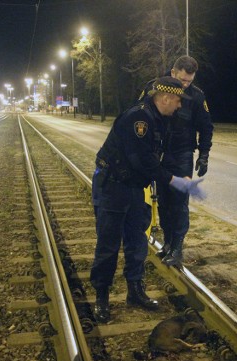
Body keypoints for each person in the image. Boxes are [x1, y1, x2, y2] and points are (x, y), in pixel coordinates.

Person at [90, 76, 204, 323]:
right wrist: (176, 181)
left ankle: (135, 291)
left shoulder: (159, 119)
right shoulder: (139, 118)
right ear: (165, 98)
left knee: (137, 241)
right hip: (112, 186)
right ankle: (101, 298)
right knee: (109, 243)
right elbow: (143, 161)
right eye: (177, 101)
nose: (179, 106)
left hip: (132, 187)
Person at [139, 55, 214, 268]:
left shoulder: (197, 97)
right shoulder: (155, 88)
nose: (185, 85)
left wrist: (204, 155)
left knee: (179, 203)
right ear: (173, 72)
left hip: (182, 155)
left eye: (189, 81)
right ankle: (168, 243)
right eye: (182, 80)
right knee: (163, 201)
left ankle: (177, 247)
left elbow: (206, 128)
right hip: (159, 154)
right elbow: (140, 115)